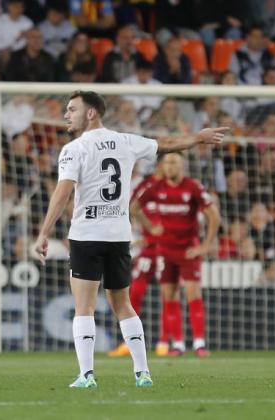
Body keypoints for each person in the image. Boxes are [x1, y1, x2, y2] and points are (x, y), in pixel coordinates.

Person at [33, 90, 227, 388]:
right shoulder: (126, 141)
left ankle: (86, 375)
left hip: (86, 235)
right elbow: (168, 145)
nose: (66, 114)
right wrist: (197, 138)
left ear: (91, 113)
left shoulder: (74, 148)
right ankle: (142, 372)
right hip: (119, 237)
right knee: (123, 304)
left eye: (72, 109)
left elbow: (63, 192)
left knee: (84, 307)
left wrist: (44, 232)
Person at [131, 153, 221, 357]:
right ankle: (178, 344)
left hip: (188, 250)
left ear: (183, 166)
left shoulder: (193, 187)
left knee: (193, 294)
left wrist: (205, 245)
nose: (169, 166)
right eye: (166, 163)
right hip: (164, 250)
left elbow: (213, 215)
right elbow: (134, 207)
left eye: (174, 162)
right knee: (169, 296)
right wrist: (151, 228)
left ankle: (199, 343)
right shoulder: (156, 187)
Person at [107, 162, 169, 358]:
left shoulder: (179, 185)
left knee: (169, 294)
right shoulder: (146, 186)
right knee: (134, 293)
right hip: (149, 248)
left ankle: (165, 342)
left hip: (169, 248)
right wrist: (146, 231)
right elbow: (132, 209)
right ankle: (128, 341)